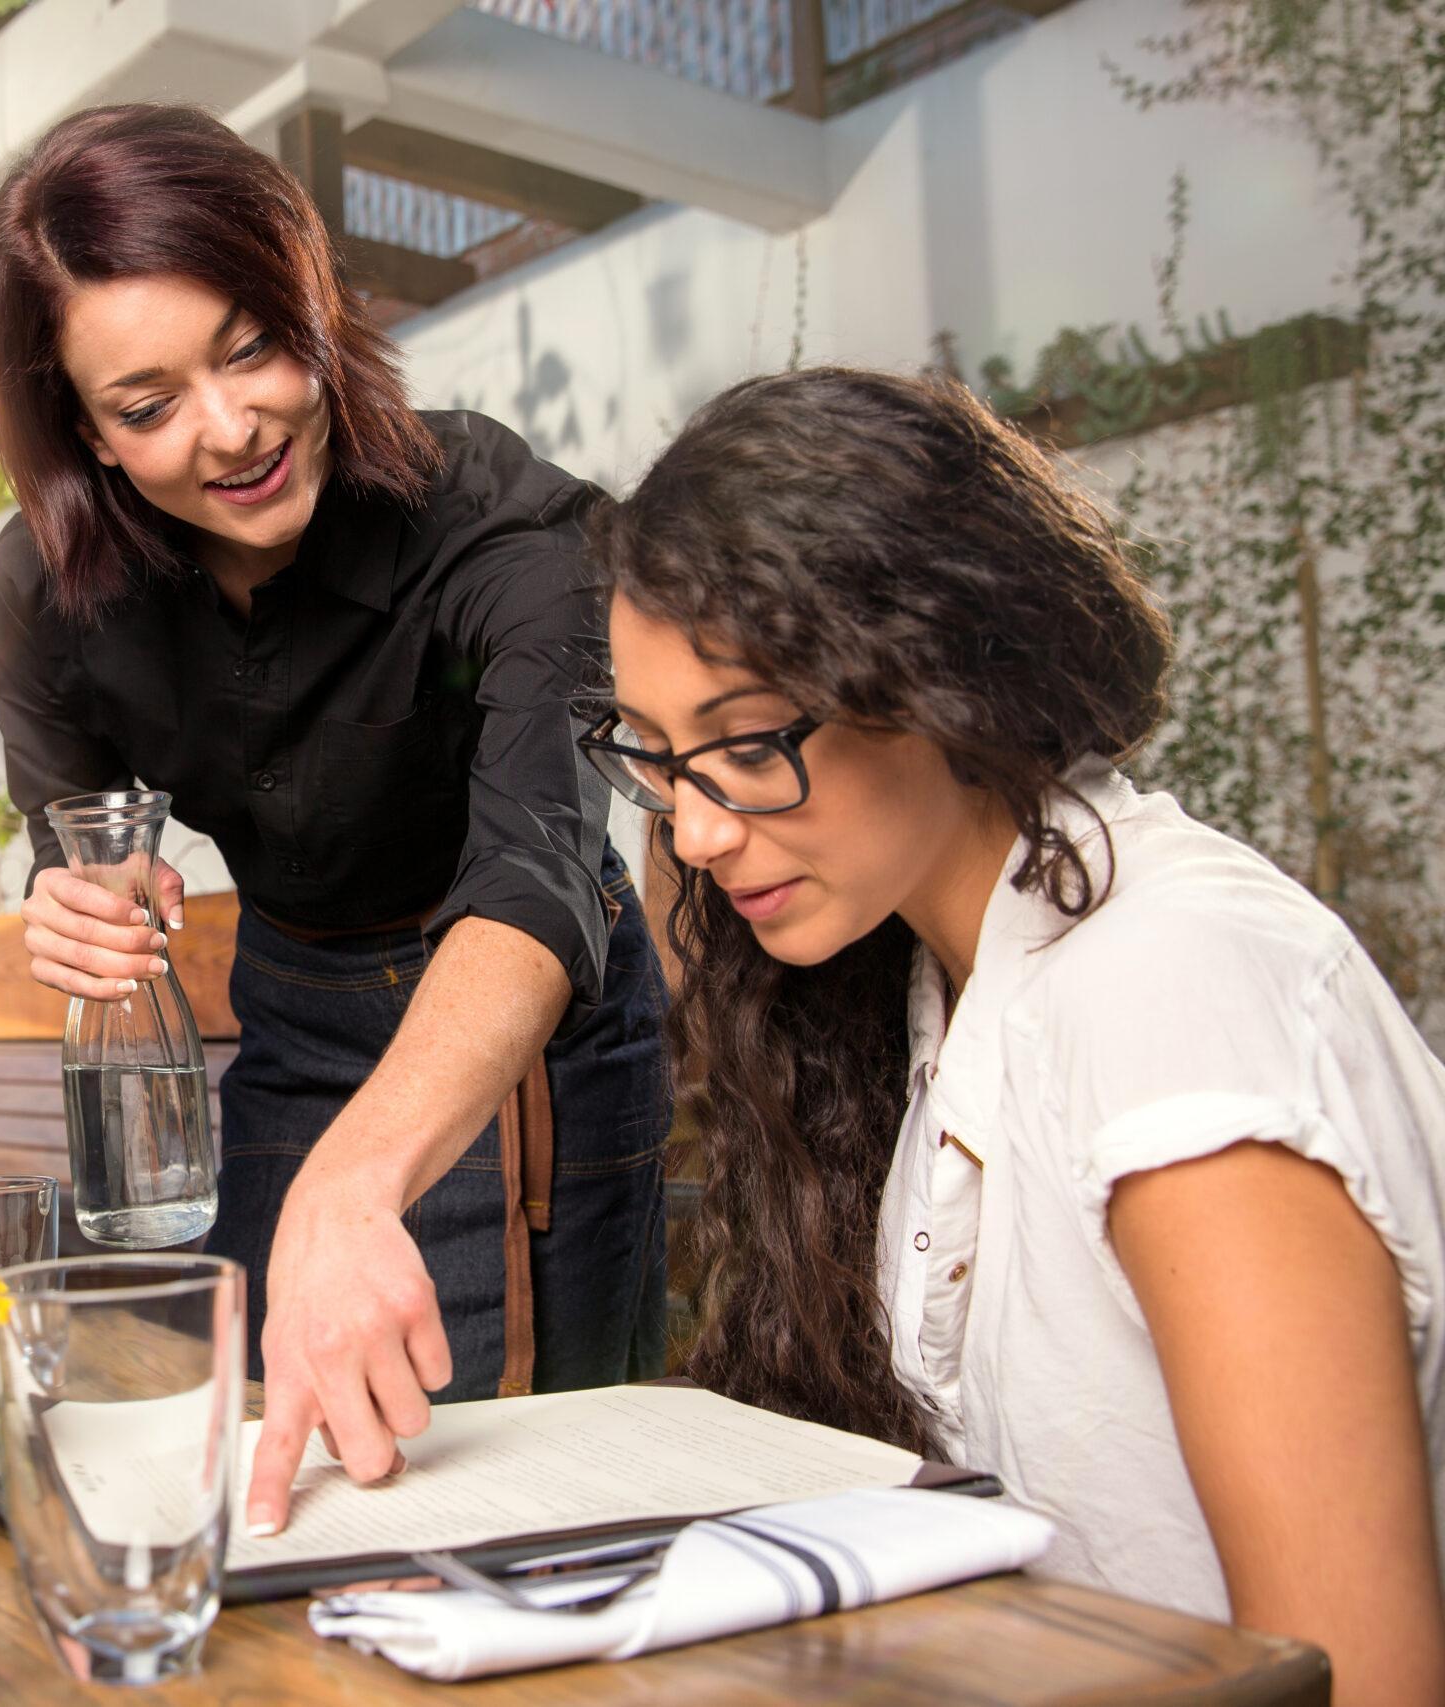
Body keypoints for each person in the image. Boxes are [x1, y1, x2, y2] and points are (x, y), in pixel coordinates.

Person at [591, 366, 1444, 1702]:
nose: (692, 828)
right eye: (651, 753)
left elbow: (1361, 1674)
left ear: (936, 671)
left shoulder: (1168, 989)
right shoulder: (936, 978)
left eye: (749, 743)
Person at [0, 103, 672, 1534]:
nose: (230, 430)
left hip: (523, 1017)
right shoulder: (53, 587)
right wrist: (81, 896)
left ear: (316, 306)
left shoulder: (493, 524)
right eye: (148, 404)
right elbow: (74, 830)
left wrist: (356, 1184)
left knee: (522, 1480)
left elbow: (544, 862)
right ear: (83, 431)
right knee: (268, 1452)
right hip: (295, 1011)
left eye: (252, 347)